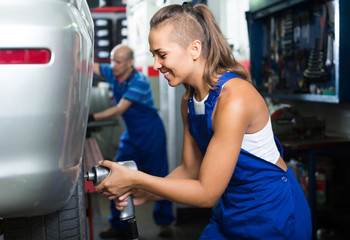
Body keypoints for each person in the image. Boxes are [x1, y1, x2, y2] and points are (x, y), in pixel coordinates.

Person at [95, 3, 312, 240]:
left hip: (273, 214)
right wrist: (144, 192)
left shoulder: (235, 98)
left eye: (162, 54)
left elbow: (207, 192)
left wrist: (137, 178)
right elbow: (189, 170)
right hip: (232, 211)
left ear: (194, 49)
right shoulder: (189, 100)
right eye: (153, 56)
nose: (156, 65)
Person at [91, 44, 174, 239]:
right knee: (116, 174)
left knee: (159, 176)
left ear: (129, 63)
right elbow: (89, 66)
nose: (113, 65)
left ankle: (165, 223)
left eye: (118, 62)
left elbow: (120, 109)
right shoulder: (113, 73)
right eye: (111, 60)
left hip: (151, 133)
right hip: (132, 134)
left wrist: (92, 118)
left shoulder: (139, 81)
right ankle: (117, 225)